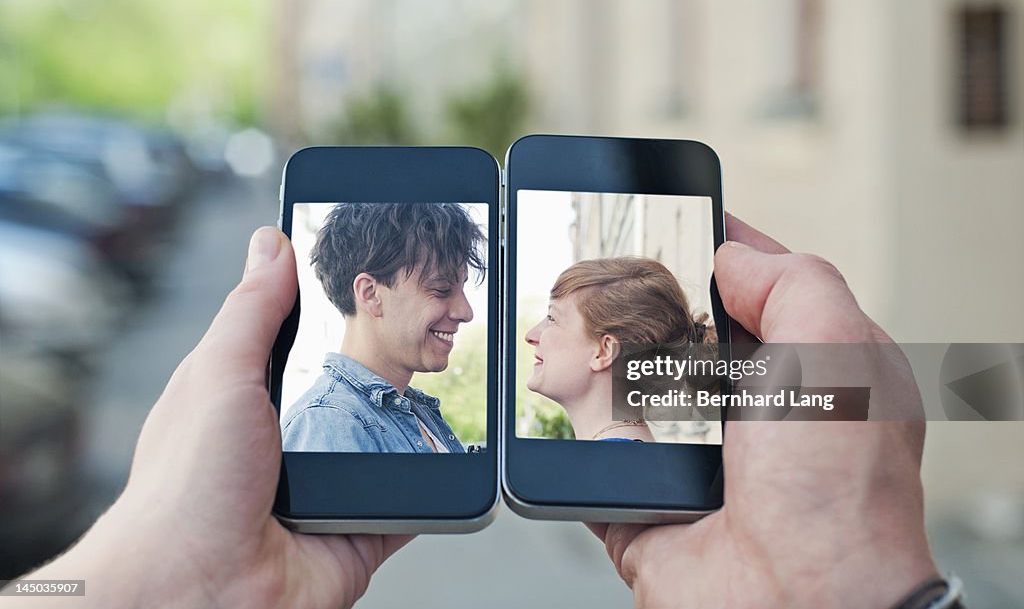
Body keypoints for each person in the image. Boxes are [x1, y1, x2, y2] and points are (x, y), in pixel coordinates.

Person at [17, 215, 945, 608]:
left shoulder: (420, 422)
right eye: (441, 289)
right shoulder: (336, 430)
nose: (480, 317)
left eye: (548, 315)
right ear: (370, 294)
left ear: (607, 354)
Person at [280, 202, 485, 453]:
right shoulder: (332, 422)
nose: (466, 312)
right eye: (441, 290)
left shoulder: (415, 414)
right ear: (370, 294)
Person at [524, 256, 714, 442]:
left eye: (552, 318)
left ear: (603, 351)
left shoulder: (605, 467)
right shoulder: (631, 458)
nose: (530, 336)